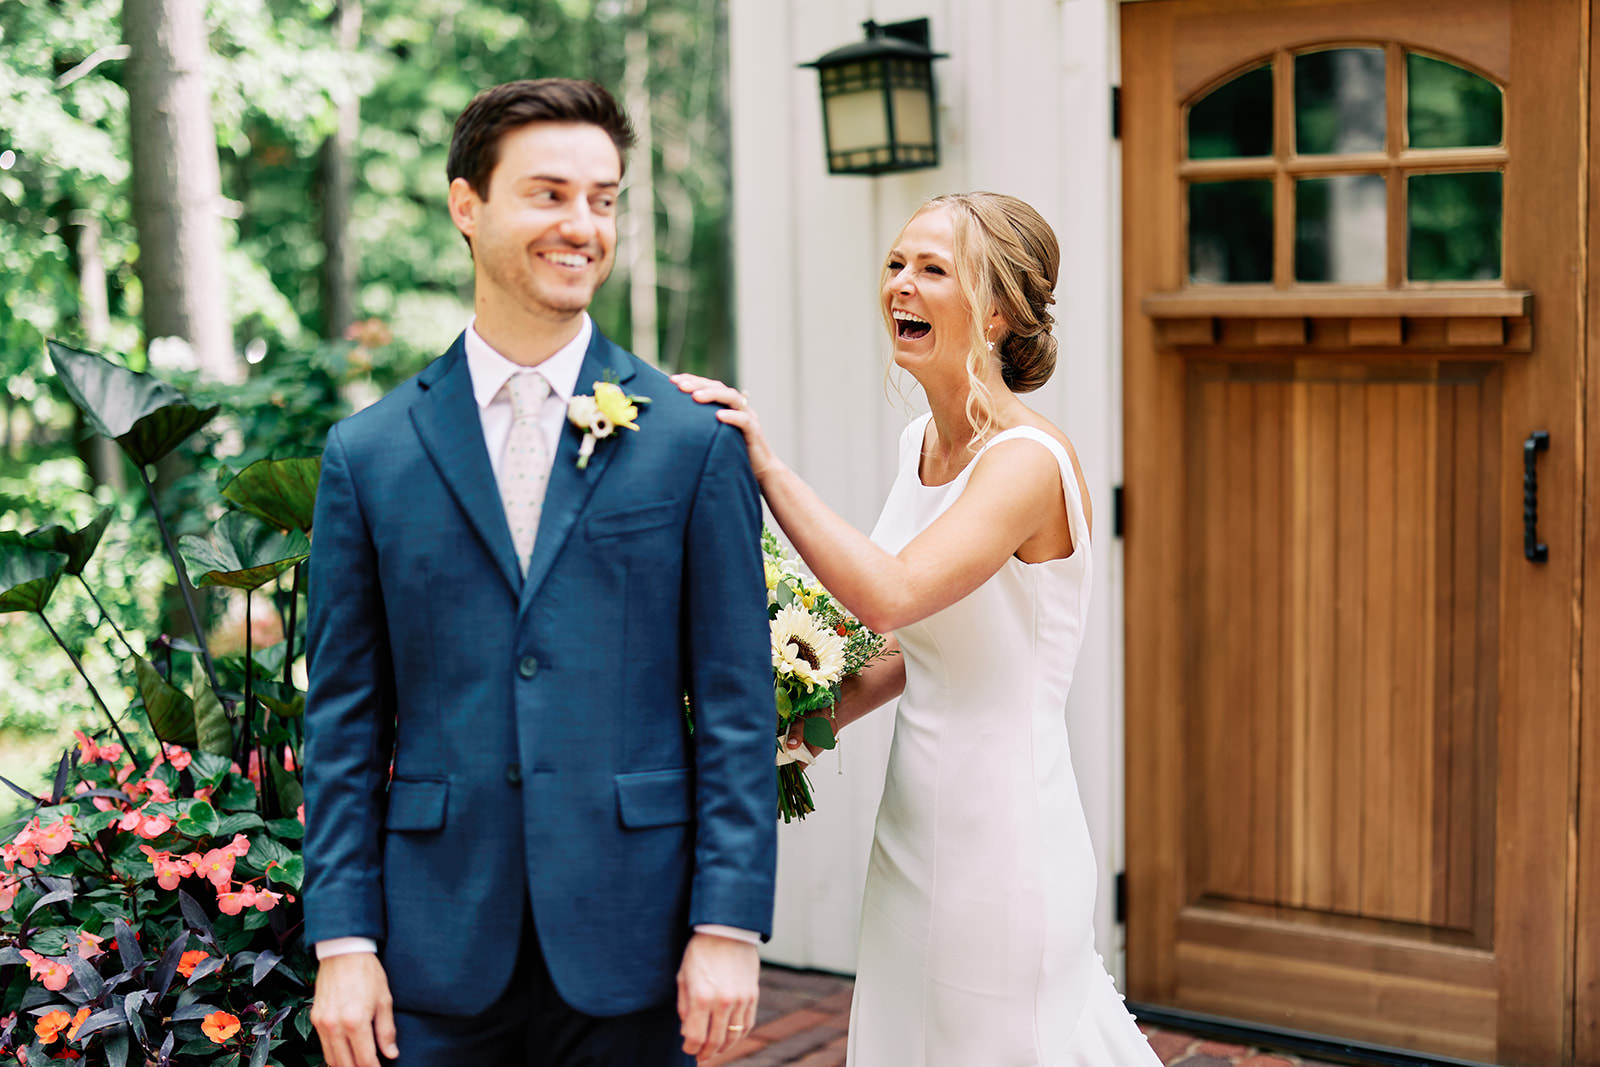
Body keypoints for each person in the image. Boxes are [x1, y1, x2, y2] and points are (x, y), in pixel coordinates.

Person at [301, 78, 777, 1067]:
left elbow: (738, 704)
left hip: (637, 938)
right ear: (466, 205)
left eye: (602, 199)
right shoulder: (369, 453)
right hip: (433, 945)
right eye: (549, 194)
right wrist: (342, 940)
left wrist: (728, 922)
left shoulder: (691, 442)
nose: (582, 226)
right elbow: (344, 719)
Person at [673, 192, 1160, 1065]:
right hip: (914, 818)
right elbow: (904, 647)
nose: (902, 283)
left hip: (1004, 831)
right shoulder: (919, 445)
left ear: (998, 311)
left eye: (934, 269)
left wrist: (764, 466)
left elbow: (889, 596)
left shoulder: (1027, 462)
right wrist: (788, 730)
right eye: (897, 263)